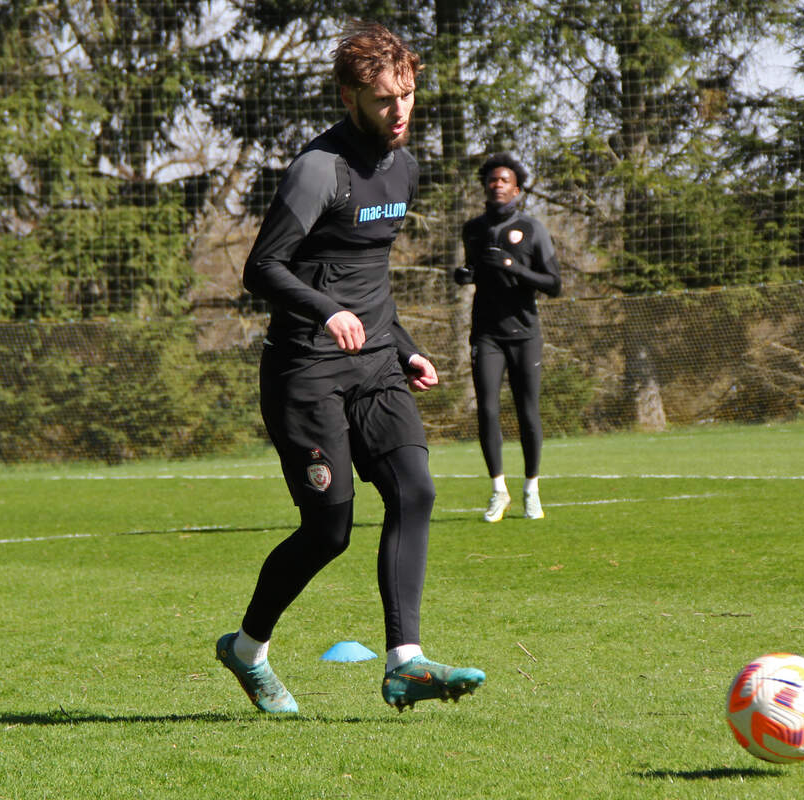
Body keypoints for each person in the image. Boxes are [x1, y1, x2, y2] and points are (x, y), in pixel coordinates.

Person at [216, 22, 485, 714]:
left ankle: (405, 662)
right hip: (305, 371)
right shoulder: (319, 169)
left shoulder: (404, 167)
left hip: (375, 367)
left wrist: (404, 345)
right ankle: (247, 651)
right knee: (328, 530)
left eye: (409, 96)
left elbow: (370, 278)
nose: (399, 112)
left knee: (416, 490)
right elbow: (261, 268)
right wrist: (324, 311)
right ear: (350, 98)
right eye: (384, 99)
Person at [454, 153, 562, 523]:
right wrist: (466, 275)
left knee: (528, 411)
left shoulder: (532, 229)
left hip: (524, 333)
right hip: (486, 334)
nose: (497, 185)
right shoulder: (473, 229)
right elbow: (475, 271)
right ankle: (498, 490)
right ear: (485, 185)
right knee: (487, 409)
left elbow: (554, 284)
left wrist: (516, 269)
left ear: (516, 189)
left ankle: (531, 488)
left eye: (505, 181)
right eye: (492, 179)